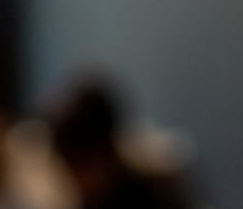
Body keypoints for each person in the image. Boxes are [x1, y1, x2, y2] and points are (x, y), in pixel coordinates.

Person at [46, 80, 190, 209]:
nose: (73, 179)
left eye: (76, 165)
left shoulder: (149, 197)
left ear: (102, 154)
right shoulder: (94, 198)